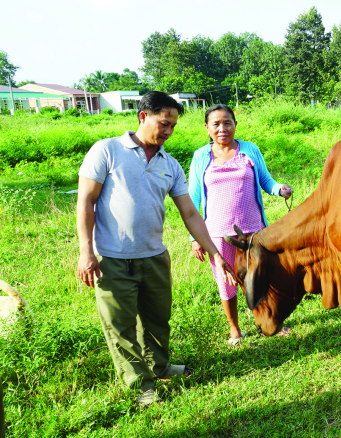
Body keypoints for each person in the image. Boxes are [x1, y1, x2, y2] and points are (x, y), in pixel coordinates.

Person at [76, 91, 236, 407]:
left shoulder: (171, 164)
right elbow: (86, 201)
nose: (167, 131)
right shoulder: (107, 151)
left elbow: (190, 213)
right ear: (143, 117)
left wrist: (216, 253)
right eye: (163, 123)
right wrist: (86, 251)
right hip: (112, 257)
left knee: (158, 319)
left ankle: (160, 367)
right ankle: (139, 386)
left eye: (173, 126)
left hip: (154, 256)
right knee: (121, 326)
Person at [188, 104, 293, 346]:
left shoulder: (249, 150)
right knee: (226, 281)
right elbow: (192, 199)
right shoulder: (200, 156)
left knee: (262, 276)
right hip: (217, 234)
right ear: (207, 128)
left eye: (227, 122)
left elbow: (266, 180)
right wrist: (194, 238)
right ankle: (235, 329)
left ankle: (271, 321)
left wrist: (280, 189)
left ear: (235, 124)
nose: (222, 128)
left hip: (253, 229)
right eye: (216, 124)